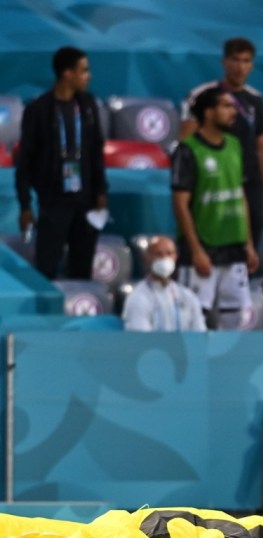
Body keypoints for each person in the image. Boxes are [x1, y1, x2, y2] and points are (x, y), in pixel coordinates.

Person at [16, 46, 108, 280]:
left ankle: (80, 312)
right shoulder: (38, 109)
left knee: (82, 268)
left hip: (85, 200)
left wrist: (100, 191)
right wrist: (25, 205)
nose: (89, 76)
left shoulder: (88, 106)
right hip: (54, 200)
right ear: (67, 73)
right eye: (84, 70)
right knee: (47, 266)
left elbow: (96, 151)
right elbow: (25, 160)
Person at [171, 85, 259, 330]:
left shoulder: (234, 145)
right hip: (204, 250)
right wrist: (196, 250)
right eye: (226, 106)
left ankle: (226, 367)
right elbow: (180, 205)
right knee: (193, 318)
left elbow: (239, 194)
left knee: (235, 318)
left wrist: (248, 243)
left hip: (233, 249)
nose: (234, 112)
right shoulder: (188, 150)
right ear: (208, 112)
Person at [180, 37, 263, 251]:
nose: (240, 67)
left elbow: (262, 148)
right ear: (224, 62)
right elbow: (186, 145)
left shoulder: (256, 100)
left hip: (250, 184)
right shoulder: (202, 96)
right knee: (210, 243)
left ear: (252, 65)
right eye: (235, 60)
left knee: (249, 246)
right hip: (214, 182)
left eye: (246, 61)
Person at [122, 235, 206, 331]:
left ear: (175, 257)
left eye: (169, 253)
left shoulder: (187, 296)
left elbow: (200, 334)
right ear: (147, 257)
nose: (164, 258)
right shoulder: (138, 297)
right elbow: (141, 339)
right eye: (159, 254)